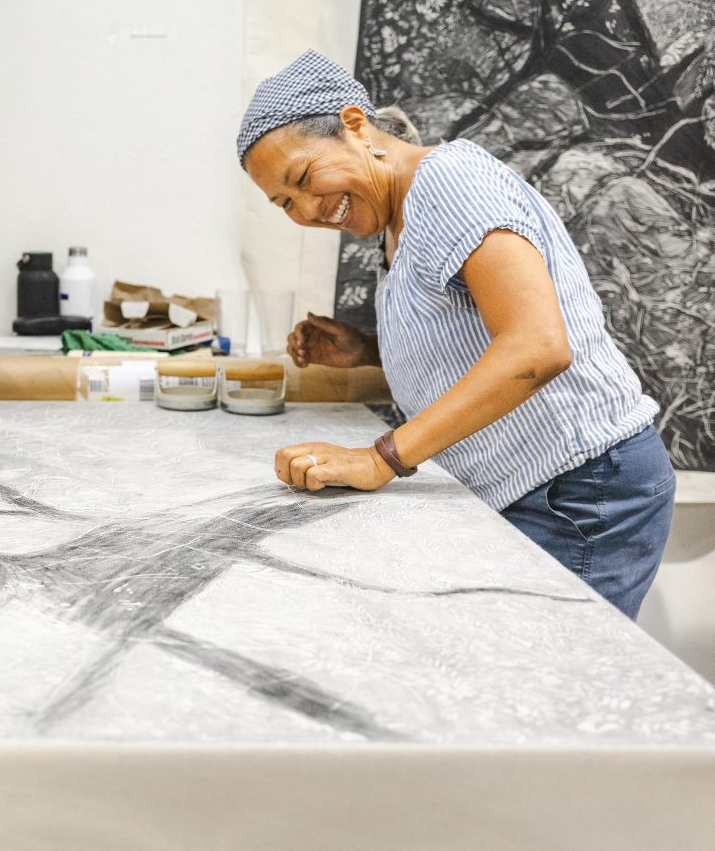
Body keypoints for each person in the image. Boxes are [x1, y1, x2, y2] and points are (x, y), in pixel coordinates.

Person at [236, 50, 674, 619]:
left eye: (302, 179)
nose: (308, 210)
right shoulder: (398, 217)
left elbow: (538, 346)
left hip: (578, 489)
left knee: (543, 692)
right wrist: (365, 351)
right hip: (540, 486)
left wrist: (380, 458)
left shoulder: (448, 181)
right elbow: (470, 333)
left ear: (353, 125)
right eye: (285, 203)